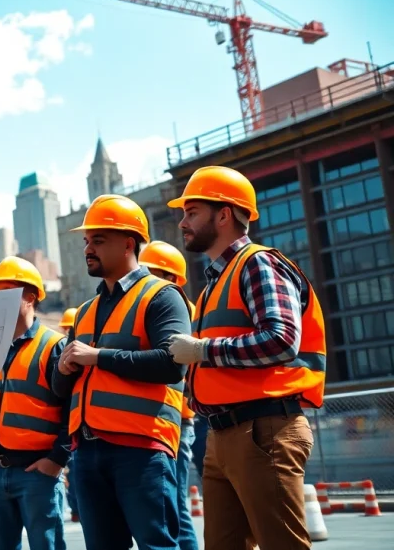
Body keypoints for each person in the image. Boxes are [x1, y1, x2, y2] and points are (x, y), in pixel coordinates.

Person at [166, 166, 325, 550]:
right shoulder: (213, 285)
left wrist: (203, 351)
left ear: (224, 214)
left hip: (263, 429)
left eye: (192, 212)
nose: (183, 223)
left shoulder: (258, 264)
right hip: (224, 435)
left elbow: (282, 339)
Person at [52, 194, 191, 550]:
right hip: (87, 452)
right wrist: (64, 368)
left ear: (129, 243)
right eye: (86, 241)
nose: (88, 249)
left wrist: (97, 356)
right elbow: (60, 389)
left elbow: (171, 363)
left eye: (98, 240)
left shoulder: (162, 296)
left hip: (141, 448)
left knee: (156, 545)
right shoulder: (84, 311)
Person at [0, 257, 70, 550]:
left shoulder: (53, 344)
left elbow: (72, 408)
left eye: (6, 293)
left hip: (37, 472)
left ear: (30, 297)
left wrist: (57, 460)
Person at [139, 240, 198, 550]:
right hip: (158, 418)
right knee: (168, 504)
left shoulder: (180, 311)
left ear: (174, 278)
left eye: (156, 273)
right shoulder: (147, 305)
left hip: (176, 420)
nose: (148, 278)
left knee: (174, 502)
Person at [56, 308, 81, 524]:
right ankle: (76, 509)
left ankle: (77, 508)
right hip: (75, 425)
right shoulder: (63, 352)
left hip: (79, 424)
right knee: (73, 475)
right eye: (65, 329)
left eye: (69, 329)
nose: (66, 333)